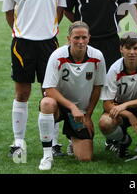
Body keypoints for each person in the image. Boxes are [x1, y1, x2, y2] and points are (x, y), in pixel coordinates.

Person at [2, 0, 66, 161]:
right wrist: (23, 31)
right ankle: (18, 141)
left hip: (49, 44)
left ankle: (55, 141)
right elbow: (9, 13)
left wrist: (48, 27)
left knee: (49, 93)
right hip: (23, 45)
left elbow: (60, 9)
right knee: (22, 92)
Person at [37, 21, 106, 170]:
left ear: (89, 38)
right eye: (76, 38)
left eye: (84, 37)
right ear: (69, 39)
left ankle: (71, 138)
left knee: (85, 158)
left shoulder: (97, 57)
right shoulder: (57, 56)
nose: (80, 42)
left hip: (80, 113)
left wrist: (87, 116)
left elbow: (97, 87)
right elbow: (48, 89)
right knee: (47, 103)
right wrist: (71, 106)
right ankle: (47, 155)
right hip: (60, 106)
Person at [98, 36, 137, 160]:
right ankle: (123, 140)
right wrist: (129, 115)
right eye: (128, 48)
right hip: (121, 110)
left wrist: (126, 104)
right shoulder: (114, 70)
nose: (132, 52)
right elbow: (106, 104)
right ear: (121, 49)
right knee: (104, 123)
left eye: (135, 48)